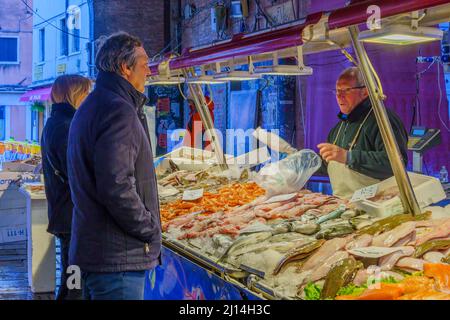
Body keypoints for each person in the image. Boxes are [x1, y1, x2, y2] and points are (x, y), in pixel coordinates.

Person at [67, 32, 161, 300]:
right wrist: (148, 227)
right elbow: (116, 185)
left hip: (100, 251)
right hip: (117, 260)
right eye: (144, 63)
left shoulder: (95, 105)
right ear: (125, 67)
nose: (149, 70)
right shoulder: (118, 110)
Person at [317, 66, 408, 198]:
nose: (339, 96)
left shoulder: (383, 120)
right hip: (345, 205)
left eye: (346, 90)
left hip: (379, 204)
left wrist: (348, 157)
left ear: (365, 92)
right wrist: (302, 164)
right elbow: (329, 165)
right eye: (337, 91)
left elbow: (395, 164)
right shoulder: (339, 128)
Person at [41, 74, 92, 300]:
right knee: (75, 281)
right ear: (75, 95)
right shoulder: (65, 126)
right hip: (72, 215)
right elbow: (76, 174)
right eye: (86, 93)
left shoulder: (56, 122)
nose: (89, 98)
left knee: (71, 278)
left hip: (65, 213)